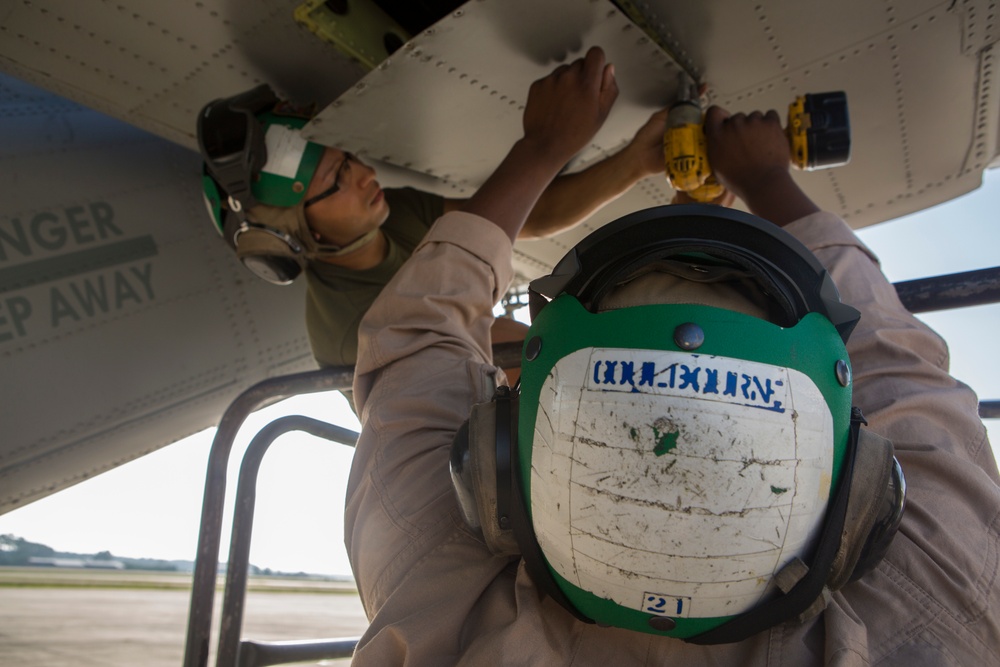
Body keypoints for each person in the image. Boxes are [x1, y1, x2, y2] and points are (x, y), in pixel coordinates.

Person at [345, 46, 1000, 664]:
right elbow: (891, 349)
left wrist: (544, 146)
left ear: (499, 469)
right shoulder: (936, 616)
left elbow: (414, 333)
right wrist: (766, 175)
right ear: (860, 497)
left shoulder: (439, 617)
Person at [198, 80, 672, 375]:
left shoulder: (387, 215)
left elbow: (525, 215)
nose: (365, 174)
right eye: (337, 179)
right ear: (304, 236)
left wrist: (636, 162)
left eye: (347, 158)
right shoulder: (356, 329)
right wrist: (546, 143)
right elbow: (511, 369)